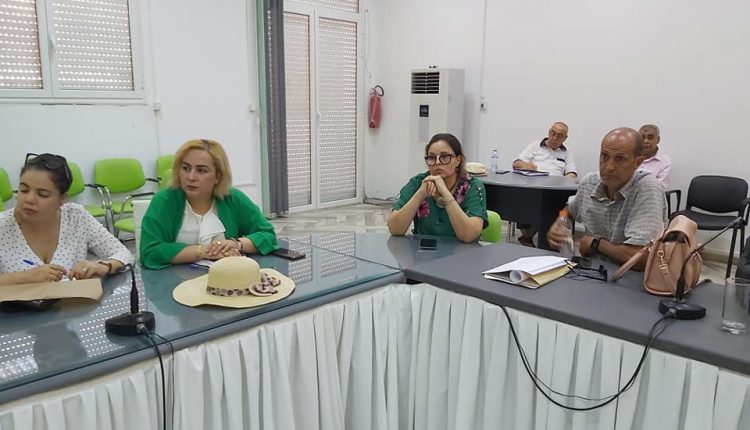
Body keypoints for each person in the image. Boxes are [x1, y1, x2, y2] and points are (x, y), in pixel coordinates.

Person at [140, 139, 277, 269]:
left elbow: (267, 235)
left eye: (201, 170)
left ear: (218, 176)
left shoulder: (233, 198)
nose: (191, 177)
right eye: (186, 168)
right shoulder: (164, 201)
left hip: (226, 278)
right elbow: (150, 252)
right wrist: (205, 251)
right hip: (174, 280)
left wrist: (236, 244)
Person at [0, 153, 133, 285]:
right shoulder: (3, 225)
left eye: (42, 194)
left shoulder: (76, 216)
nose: (29, 199)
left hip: (71, 298)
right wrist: (23, 277)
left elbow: (123, 254)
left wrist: (102, 266)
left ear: (62, 199)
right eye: (24, 190)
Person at [547, 127, 667, 270]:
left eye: (620, 159)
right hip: (593, 271)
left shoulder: (647, 188)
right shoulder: (590, 183)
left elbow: (642, 258)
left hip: (632, 275)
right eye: (604, 156)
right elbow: (568, 210)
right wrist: (560, 223)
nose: (609, 167)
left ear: (638, 162)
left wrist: (596, 244)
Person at [388, 133, 488, 242]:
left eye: (444, 157)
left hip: (462, 251)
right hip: (424, 251)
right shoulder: (418, 183)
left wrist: (445, 192)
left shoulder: (472, 186)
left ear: (458, 160)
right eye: (432, 158)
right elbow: (395, 229)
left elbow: (469, 235)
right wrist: (420, 194)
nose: (437, 162)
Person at [512, 122, 578, 246]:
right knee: (530, 202)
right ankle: (528, 234)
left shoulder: (567, 152)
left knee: (560, 205)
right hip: (533, 187)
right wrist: (526, 165)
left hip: (555, 191)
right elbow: (516, 163)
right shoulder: (535, 145)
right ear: (549, 132)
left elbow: (572, 174)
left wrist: (564, 180)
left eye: (559, 135)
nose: (554, 137)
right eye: (553, 133)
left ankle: (549, 237)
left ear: (565, 138)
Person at [637, 124, 671, 189]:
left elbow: (662, 187)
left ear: (658, 140)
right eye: (642, 138)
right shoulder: (631, 157)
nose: (646, 141)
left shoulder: (664, 161)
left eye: (650, 138)